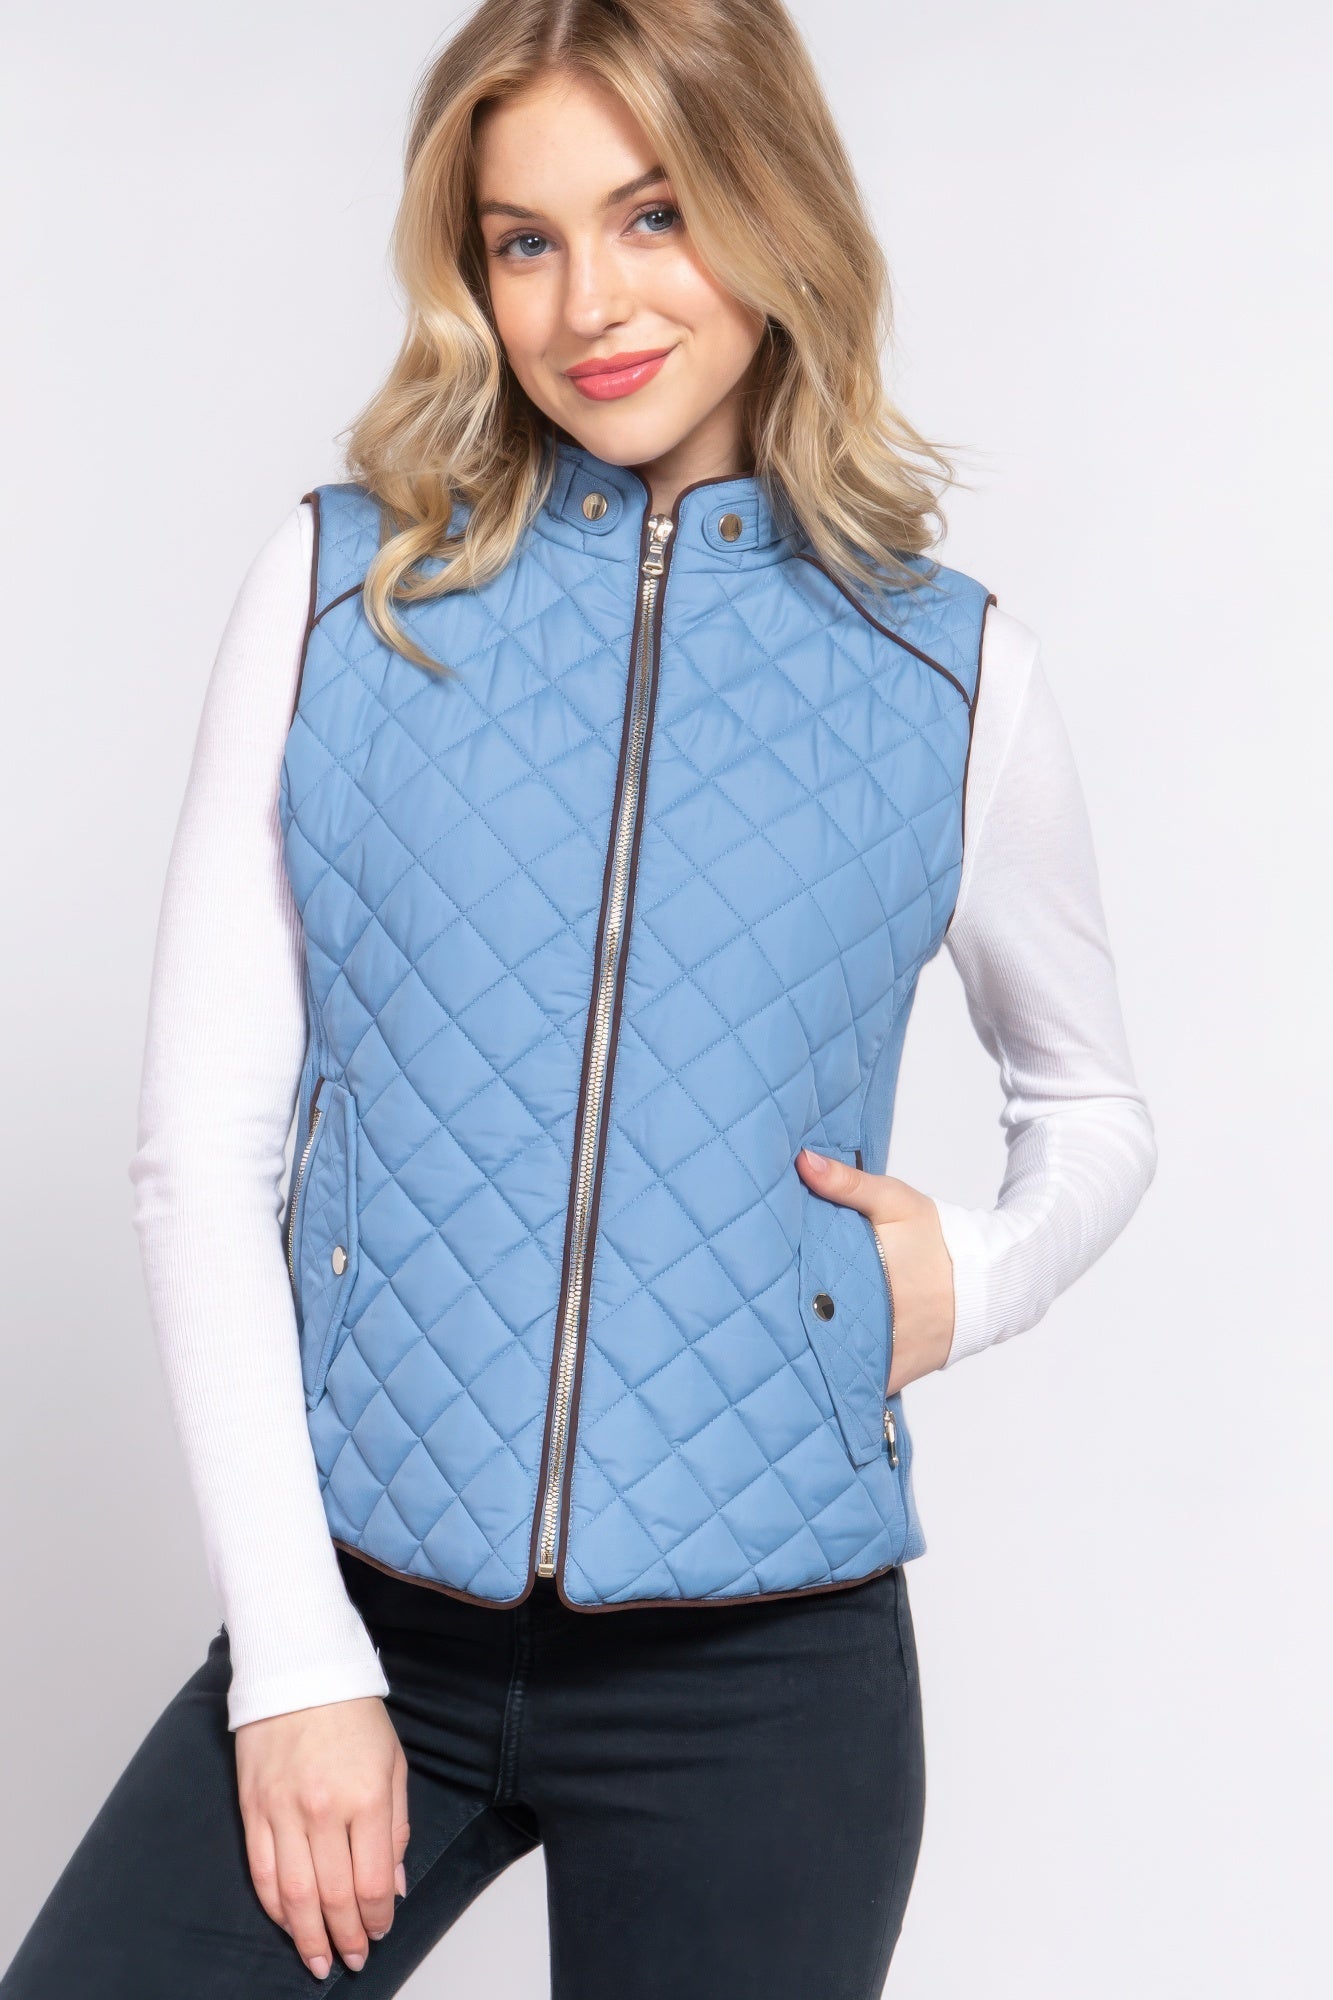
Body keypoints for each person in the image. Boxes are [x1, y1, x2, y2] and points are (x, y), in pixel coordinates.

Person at [0, 2, 1157, 1995]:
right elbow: (200, 1151)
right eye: (521, 240)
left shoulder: (951, 674)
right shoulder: (346, 590)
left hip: (765, 1683)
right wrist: (296, 1662)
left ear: (773, 208)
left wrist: (984, 1271)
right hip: (371, 1619)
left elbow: (1095, 1111)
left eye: (652, 214)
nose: (587, 302)